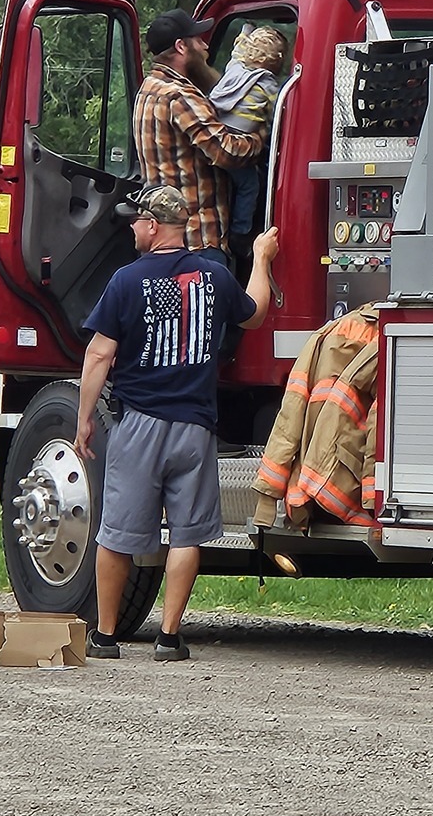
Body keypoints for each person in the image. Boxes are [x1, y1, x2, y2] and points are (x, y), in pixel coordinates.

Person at [72, 183, 280, 661]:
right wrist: (262, 259)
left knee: (117, 533)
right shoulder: (214, 277)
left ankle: (105, 637)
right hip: (195, 427)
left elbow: (100, 354)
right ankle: (169, 637)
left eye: (135, 221)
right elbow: (254, 315)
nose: (131, 228)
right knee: (187, 533)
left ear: (151, 226)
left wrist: (85, 419)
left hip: (140, 424)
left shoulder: (126, 281)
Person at [133, 8, 265, 264]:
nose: (205, 46)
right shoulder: (180, 96)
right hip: (197, 241)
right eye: (198, 40)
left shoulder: (147, 90)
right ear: (181, 47)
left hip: (161, 239)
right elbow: (226, 151)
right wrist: (262, 138)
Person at [208, 25, 287, 264]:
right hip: (240, 145)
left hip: (217, 137)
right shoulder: (269, 85)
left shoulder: (234, 69)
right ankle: (241, 235)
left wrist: (244, 32)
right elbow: (276, 119)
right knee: (251, 184)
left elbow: (236, 53)